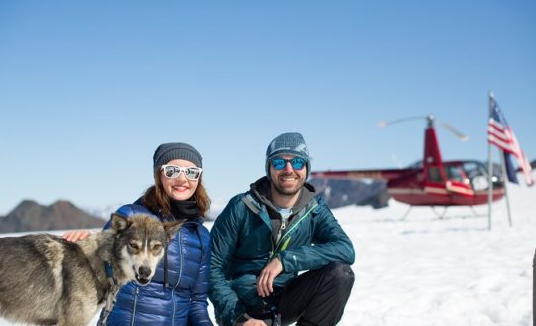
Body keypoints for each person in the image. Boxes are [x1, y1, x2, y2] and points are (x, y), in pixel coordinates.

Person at [209, 132, 355, 326]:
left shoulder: (315, 209)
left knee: (340, 274)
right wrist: (238, 317)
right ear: (269, 168)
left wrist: (286, 260)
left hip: (285, 300)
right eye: (279, 162)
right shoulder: (241, 206)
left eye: (297, 162)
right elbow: (211, 267)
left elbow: (345, 250)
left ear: (306, 168)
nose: (288, 169)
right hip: (242, 307)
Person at [63, 142, 213, 325]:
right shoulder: (131, 216)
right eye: (172, 171)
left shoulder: (201, 236)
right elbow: (95, 268)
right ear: (159, 175)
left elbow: (196, 303)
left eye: (191, 172)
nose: (182, 179)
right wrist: (86, 244)